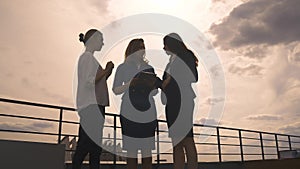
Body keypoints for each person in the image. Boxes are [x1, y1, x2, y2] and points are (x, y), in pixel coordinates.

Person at [112, 39, 161, 169]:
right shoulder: (122, 68)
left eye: (143, 47)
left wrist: (152, 88)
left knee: (147, 150)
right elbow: (116, 89)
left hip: (148, 112)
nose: (142, 50)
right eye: (139, 47)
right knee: (131, 151)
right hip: (129, 111)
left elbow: (155, 91)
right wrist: (130, 84)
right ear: (131, 50)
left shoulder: (149, 68)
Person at [73, 29, 114, 169]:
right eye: (100, 39)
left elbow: (96, 81)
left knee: (92, 147)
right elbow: (89, 82)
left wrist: (106, 73)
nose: (103, 43)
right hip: (92, 106)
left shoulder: (89, 58)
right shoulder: (87, 58)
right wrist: (106, 70)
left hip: (93, 106)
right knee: (87, 145)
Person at [161, 33, 198, 169]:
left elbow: (193, 76)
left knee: (187, 139)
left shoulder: (185, 56)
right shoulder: (171, 61)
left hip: (183, 102)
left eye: (165, 44)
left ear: (171, 44)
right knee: (176, 141)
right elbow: (166, 81)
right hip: (172, 103)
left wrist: (170, 79)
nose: (163, 48)